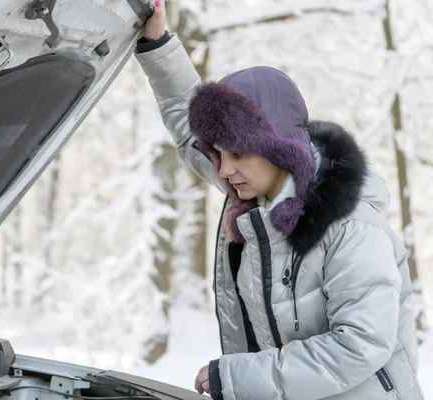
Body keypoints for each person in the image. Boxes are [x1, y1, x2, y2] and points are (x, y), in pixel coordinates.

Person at [133, 1, 424, 399]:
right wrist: (158, 43)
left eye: (236, 155)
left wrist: (237, 378)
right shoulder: (255, 193)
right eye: (218, 154)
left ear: (278, 149)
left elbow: (360, 344)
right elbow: (189, 126)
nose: (222, 170)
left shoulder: (350, 226)